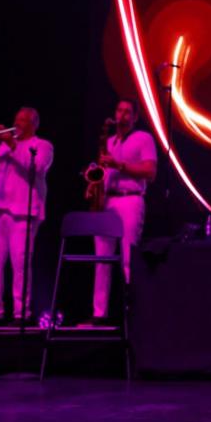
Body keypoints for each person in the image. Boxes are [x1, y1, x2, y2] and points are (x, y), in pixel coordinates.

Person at [0, 107, 53, 325]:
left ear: (34, 124)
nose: (17, 124)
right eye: (16, 119)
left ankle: (21, 314)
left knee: (20, 263)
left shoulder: (42, 146)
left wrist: (11, 144)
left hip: (24, 213)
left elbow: (36, 168)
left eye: (23, 121)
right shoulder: (1, 146)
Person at [88, 99, 157, 325]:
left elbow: (150, 171)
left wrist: (119, 165)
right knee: (102, 259)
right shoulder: (109, 141)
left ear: (135, 117)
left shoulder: (143, 138)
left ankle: (132, 313)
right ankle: (99, 314)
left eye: (128, 112)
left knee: (128, 257)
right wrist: (94, 183)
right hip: (108, 201)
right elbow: (103, 173)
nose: (122, 115)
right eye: (119, 110)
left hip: (130, 200)